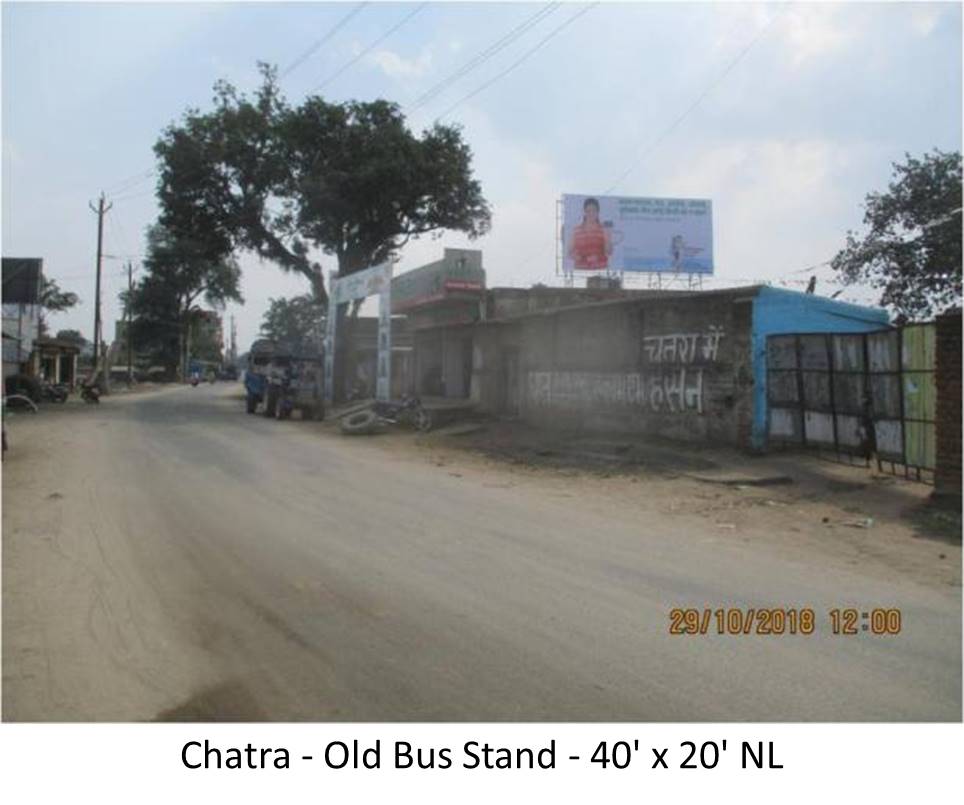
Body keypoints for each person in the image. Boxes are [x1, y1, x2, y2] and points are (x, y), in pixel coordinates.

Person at [567, 197, 612, 271]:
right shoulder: (576, 231)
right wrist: (580, 258)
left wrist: (608, 236)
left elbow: (609, 252)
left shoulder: (604, 230)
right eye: (588, 211)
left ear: (598, 212)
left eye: (594, 210)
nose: (591, 213)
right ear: (584, 212)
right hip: (581, 271)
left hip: (601, 271)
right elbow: (569, 253)